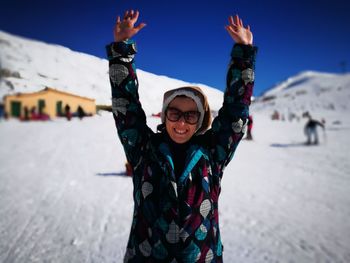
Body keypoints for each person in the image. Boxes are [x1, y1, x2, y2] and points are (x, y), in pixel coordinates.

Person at [106, 10, 257, 262]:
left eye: (190, 116)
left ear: (200, 121)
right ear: (164, 116)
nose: (181, 123)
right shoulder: (143, 150)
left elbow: (235, 112)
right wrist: (121, 51)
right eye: (174, 113)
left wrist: (244, 54)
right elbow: (126, 107)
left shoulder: (212, 154)